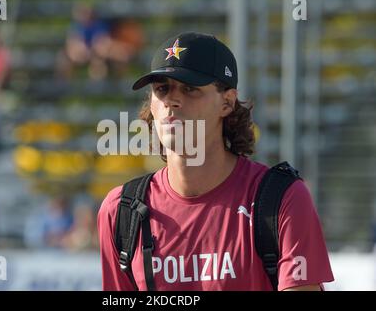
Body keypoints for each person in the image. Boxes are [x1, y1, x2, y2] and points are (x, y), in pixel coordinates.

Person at [97, 32, 334, 291]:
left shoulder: (282, 199)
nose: (171, 101)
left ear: (227, 102)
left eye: (190, 89)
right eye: (162, 89)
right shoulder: (120, 211)